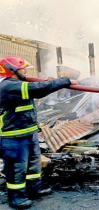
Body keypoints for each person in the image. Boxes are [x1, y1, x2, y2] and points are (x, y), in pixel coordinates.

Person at [0, 56, 78, 208]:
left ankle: (34, 189)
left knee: (33, 165)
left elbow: (37, 91)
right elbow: (36, 89)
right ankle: (16, 198)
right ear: (12, 70)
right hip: (13, 135)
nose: (25, 71)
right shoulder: (8, 86)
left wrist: (47, 84)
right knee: (17, 168)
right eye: (22, 68)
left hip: (28, 132)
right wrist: (65, 81)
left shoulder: (18, 84)